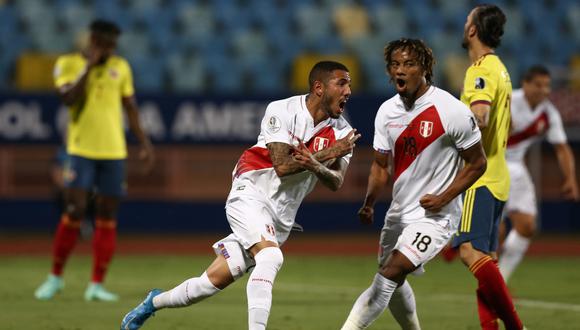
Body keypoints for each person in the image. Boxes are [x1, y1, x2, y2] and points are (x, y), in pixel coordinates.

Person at [120, 60, 360, 330]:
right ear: (319, 87)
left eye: (349, 84)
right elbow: (281, 166)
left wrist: (317, 163)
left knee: (210, 283)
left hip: (280, 217)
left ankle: (152, 303)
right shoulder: (281, 110)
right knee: (271, 258)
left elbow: (336, 182)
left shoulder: (342, 132)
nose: (348, 90)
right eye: (342, 83)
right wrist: (328, 154)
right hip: (251, 190)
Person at [340, 38, 486, 330]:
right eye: (395, 65)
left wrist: (445, 197)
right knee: (390, 274)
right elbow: (381, 166)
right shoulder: (386, 112)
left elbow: (478, 163)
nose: (400, 71)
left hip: (436, 217)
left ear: (425, 69)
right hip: (399, 212)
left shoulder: (451, 110)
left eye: (409, 64)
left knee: (390, 272)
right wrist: (369, 202)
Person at [34, 19, 154, 302]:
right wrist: (89, 67)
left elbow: (131, 107)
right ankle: (55, 277)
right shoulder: (67, 64)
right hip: (81, 150)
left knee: (107, 217)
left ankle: (96, 285)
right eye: (105, 43)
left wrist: (144, 142)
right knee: (74, 209)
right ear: (93, 41)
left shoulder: (121, 67)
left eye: (113, 44)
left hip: (113, 151)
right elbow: (68, 99)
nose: (110, 49)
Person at [449, 4, 525, 329]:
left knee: (468, 251)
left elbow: (480, 118)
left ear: (472, 31)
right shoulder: (501, 69)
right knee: (487, 260)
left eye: (467, 20)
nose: (464, 25)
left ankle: (514, 325)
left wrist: (449, 135)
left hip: (479, 178)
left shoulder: (479, 70)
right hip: (499, 175)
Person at [498, 65, 579, 282]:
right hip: (491, 165)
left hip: (515, 167)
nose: (544, 90)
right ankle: (457, 241)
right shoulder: (508, 100)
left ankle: (501, 280)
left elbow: (561, 147)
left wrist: (570, 178)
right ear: (525, 84)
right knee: (496, 231)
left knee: (527, 226)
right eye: (538, 85)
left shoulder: (548, 113)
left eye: (547, 86)